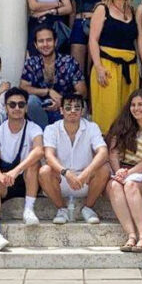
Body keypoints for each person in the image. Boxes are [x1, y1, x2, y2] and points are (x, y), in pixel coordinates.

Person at [105, 90, 142, 253]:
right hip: (120, 172)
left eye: (140, 104)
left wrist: (128, 173)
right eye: (133, 105)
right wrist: (119, 172)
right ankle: (131, 236)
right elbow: (113, 154)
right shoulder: (123, 127)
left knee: (130, 185)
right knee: (114, 186)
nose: (136, 108)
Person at [0, 87, 44, 250]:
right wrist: (0, 176)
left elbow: (39, 150)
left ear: (26, 107)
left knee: (34, 163)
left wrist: (15, 171)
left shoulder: (34, 128)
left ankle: (28, 209)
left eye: (21, 104)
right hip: (6, 181)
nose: (16, 108)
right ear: (6, 108)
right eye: (12, 104)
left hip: (27, 180)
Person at [39, 94, 111, 225]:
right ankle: (62, 209)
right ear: (61, 110)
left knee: (105, 168)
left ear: (82, 111)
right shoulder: (51, 129)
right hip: (60, 180)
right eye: (68, 108)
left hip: (85, 181)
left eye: (77, 108)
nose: (72, 111)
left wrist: (86, 173)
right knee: (44, 171)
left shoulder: (92, 127)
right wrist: (66, 173)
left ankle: (88, 208)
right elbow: (49, 156)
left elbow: (103, 152)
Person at [89, 0, 140, 133]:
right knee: (107, 115)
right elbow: (93, 40)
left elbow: (137, 41)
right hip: (107, 66)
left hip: (130, 68)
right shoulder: (102, 9)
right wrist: (98, 67)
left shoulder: (133, 11)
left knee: (128, 116)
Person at [20, 25, 87, 128]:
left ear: (55, 42)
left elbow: (82, 92)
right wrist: (48, 91)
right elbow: (23, 87)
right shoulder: (32, 63)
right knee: (31, 101)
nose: (45, 44)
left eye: (49, 40)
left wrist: (62, 102)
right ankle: (45, 134)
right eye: (41, 41)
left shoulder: (68, 62)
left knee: (82, 105)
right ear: (36, 45)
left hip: (65, 107)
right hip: (41, 110)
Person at [69, 0, 107, 75]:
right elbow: (73, 8)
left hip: (95, 23)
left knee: (93, 66)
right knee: (76, 67)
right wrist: (71, 29)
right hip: (78, 22)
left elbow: (105, 3)